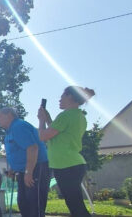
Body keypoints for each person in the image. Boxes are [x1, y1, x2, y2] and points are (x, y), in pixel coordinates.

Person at [38, 86, 96, 217]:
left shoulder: (65, 115)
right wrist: (48, 119)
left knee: (76, 207)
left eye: (62, 96)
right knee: (75, 205)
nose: (59, 99)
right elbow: (58, 135)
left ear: (70, 97)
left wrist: (41, 120)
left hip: (66, 165)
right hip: (72, 164)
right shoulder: (78, 116)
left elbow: (43, 137)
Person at [0, 107, 51, 217]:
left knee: (34, 205)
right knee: (23, 203)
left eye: (0, 116)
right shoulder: (10, 131)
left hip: (36, 168)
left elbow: (32, 148)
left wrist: (29, 172)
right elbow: (17, 151)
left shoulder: (18, 127)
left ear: (9, 115)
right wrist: (13, 169)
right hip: (24, 170)